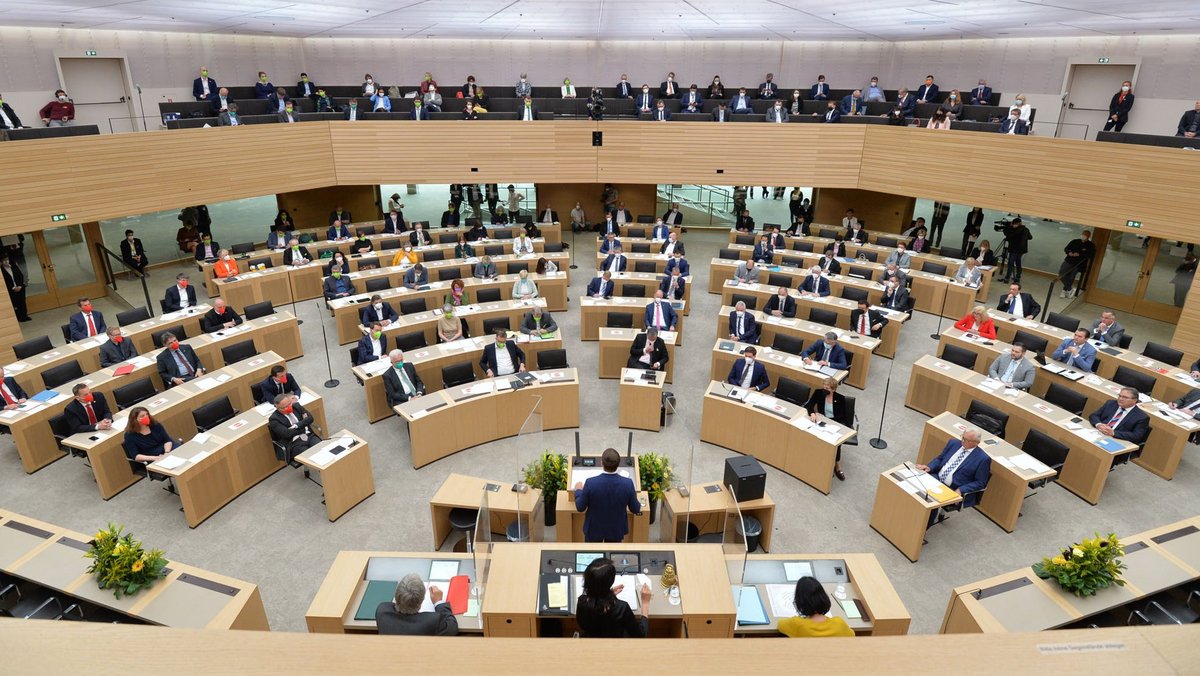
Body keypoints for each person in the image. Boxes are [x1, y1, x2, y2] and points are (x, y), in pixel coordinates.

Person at [916, 429, 991, 526]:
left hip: (952, 488)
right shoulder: (953, 443)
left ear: (977, 443)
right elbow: (940, 458)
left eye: (967, 440)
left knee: (931, 501)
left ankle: (921, 530)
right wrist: (930, 467)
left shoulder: (983, 459)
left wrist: (961, 489)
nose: (963, 441)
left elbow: (981, 482)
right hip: (936, 477)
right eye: (963, 438)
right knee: (915, 487)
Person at [573, 448, 643, 545]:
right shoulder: (628, 484)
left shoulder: (590, 483)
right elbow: (635, 509)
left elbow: (580, 507)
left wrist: (578, 491)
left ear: (602, 463)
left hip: (594, 529)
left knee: (593, 557)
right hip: (616, 529)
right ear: (618, 465)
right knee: (612, 558)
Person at [575, 557, 652, 639]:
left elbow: (582, 625)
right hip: (615, 644)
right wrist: (645, 602)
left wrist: (609, 594)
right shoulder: (622, 607)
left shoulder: (582, 601)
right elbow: (641, 635)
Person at [375, 573, 457, 637]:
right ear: (421, 601)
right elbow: (452, 628)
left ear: (396, 596)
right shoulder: (432, 621)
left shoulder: (382, 611)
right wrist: (439, 602)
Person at [805, 377, 852, 481]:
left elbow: (842, 417)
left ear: (833, 389)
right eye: (824, 387)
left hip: (836, 423)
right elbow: (809, 404)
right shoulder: (819, 393)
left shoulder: (840, 399)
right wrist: (812, 413)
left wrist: (827, 419)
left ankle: (837, 465)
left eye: (827, 388)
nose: (825, 390)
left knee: (836, 442)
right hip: (822, 422)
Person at [778, 576, 854, 638]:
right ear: (823, 597)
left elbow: (780, 625)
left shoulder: (797, 624)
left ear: (799, 601)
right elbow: (852, 634)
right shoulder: (839, 623)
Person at [268, 392, 319, 464]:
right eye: (284, 407)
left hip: (309, 436)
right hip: (294, 443)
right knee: (311, 457)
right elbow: (287, 434)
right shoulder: (274, 419)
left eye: (289, 404)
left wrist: (296, 426)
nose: (288, 407)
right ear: (277, 408)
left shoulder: (296, 406)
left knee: (321, 450)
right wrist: (304, 424)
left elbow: (310, 418)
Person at [1059, 230, 1095, 298]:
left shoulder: (1090, 245)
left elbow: (1090, 255)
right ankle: (1070, 289)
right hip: (1068, 261)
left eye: (1085, 235)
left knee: (1071, 277)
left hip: (1078, 264)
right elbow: (1066, 249)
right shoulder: (1075, 241)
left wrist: (1079, 254)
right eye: (1083, 234)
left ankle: (1064, 291)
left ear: (1088, 236)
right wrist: (1069, 252)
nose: (1083, 236)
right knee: (1061, 274)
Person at [995, 218, 1032, 283]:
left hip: (1015, 249)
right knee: (1018, 263)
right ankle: (1017, 278)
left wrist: (1007, 228)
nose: (1012, 225)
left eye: (1013, 224)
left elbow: (1008, 236)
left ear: (1017, 224)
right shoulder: (1026, 229)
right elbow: (1030, 237)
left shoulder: (1015, 230)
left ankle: (1007, 279)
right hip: (1022, 250)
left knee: (1010, 263)